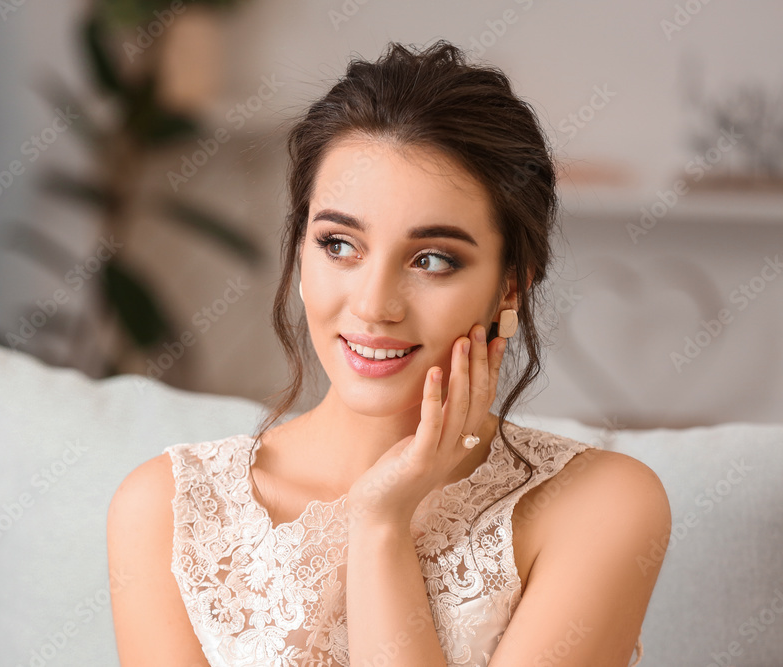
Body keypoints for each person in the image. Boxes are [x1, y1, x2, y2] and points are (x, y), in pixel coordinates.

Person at [107, 39, 672, 667]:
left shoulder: (601, 506)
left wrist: (381, 523)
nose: (375, 305)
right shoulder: (169, 510)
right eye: (339, 244)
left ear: (510, 284)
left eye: (432, 259)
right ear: (300, 254)